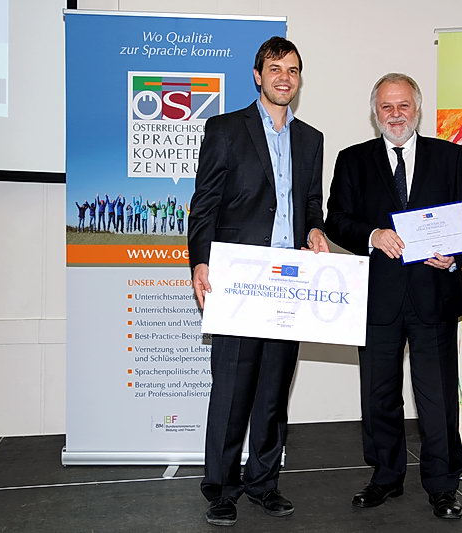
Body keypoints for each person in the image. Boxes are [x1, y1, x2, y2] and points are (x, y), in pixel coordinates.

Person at [325, 73, 462, 520]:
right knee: (379, 396)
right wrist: (372, 235)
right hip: (377, 298)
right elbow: (336, 219)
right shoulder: (352, 159)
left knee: (437, 397)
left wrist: (454, 255)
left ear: (417, 108)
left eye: (403, 106)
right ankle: (385, 476)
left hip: (434, 294)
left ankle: (443, 485)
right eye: (387, 107)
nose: (396, 114)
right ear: (375, 113)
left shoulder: (449, 156)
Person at [187, 36, 329, 527]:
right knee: (231, 390)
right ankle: (221, 489)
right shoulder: (225, 129)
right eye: (275, 69)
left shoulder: (311, 139)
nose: (284, 78)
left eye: (292, 70)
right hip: (238, 278)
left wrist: (315, 229)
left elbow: (311, 205)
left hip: (289, 282)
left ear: (299, 78)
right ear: (257, 75)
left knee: (273, 391)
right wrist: (200, 262)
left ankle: (264, 483)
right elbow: (205, 203)